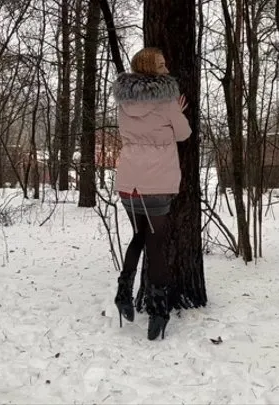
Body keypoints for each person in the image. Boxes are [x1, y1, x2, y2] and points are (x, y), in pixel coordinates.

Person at [111, 47, 191, 340]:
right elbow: (184, 134)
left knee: (140, 236)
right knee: (156, 244)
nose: (166, 67)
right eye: (161, 63)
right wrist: (177, 116)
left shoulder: (124, 101)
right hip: (157, 181)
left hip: (129, 181)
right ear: (151, 68)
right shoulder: (168, 99)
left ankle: (123, 291)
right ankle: (158, 311)